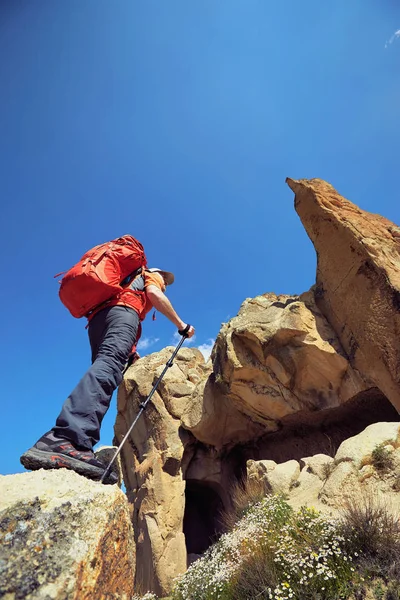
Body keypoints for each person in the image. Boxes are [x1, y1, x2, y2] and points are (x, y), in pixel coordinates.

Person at [20, 267, 195, 484]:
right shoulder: (149, 275)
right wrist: (181, 325)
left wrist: (130, 353)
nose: (165, 283)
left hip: (98, 321)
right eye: (165, 279)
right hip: (124, 313)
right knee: (108, 366)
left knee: (106, 365)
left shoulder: (124, 284)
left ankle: (75, 442)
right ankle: (67, 439)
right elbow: (154, 294)